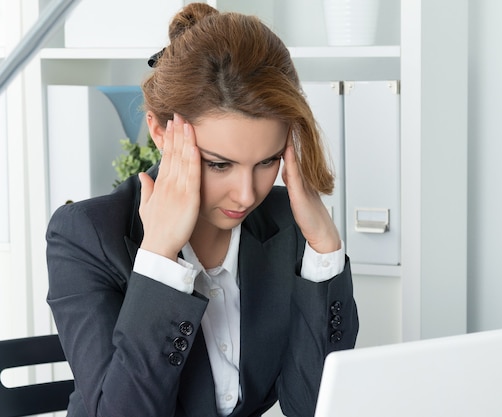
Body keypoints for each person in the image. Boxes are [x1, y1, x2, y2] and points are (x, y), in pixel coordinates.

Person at [46, 3, 358, 417]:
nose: (246, 195)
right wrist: (158, 258)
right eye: (219, 164)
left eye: (267, 162)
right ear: (160, 131)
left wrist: (323, 250)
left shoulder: (289, 226)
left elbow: (310, 407)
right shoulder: (85, 236)